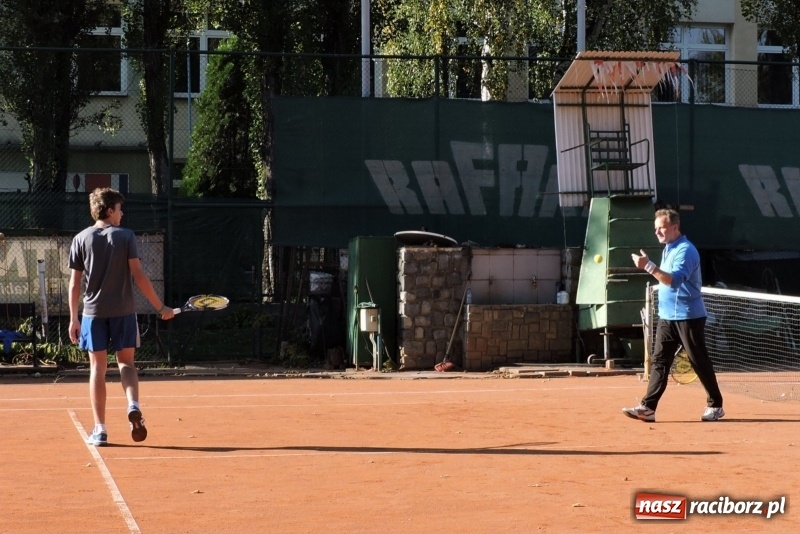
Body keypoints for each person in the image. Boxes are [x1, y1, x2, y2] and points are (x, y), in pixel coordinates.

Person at [69, 188, 175, 446]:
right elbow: (139, 276)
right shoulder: (126, 236)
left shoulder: (81, 238)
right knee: (126, 365)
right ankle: (132, 405)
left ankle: (100, 430)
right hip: (124, 312)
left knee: (98, 369)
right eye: (119, 209)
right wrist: (160, 307)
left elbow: (74, 284)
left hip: (93, 314)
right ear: (109, 211)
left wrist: (74, 319)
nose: (122, 213)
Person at [623, 208, 724, 423]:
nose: (657, 232)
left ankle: (715, 405)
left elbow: (674, 281)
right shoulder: (668, 248)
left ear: (675, 227)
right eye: (656, 229)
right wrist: (651, 265)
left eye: (662, 228)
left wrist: (648, 266)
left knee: (698, 361)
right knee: (660, 360)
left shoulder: (686, 250)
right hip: (667, 317)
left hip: (689, 316)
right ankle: (648, 408)